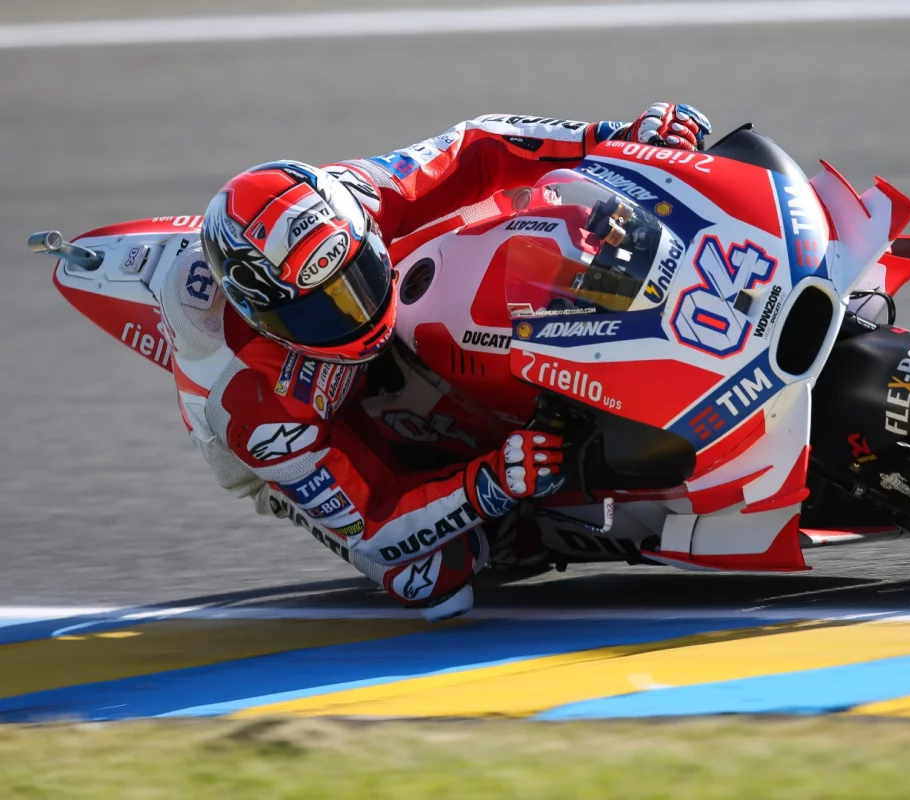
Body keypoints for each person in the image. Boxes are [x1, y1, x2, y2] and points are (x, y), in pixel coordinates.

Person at [159, 103, 712, 620]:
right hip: (291, 442)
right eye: (318, 310)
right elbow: (375, 522)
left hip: (388, 298)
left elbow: (478, 144)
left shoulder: (354, 196)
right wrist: (491, 483)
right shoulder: (252, 404)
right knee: (430, 575)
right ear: (260, 315)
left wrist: (610, 139)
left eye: (357, 277)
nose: (352, 313)